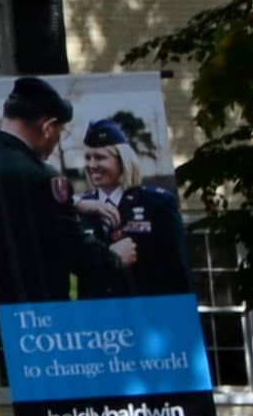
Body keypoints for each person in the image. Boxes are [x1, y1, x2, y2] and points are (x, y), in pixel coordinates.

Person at [0, 76, 132, 304]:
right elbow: (71, 248)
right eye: (61, 131)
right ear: (48, 128)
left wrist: (74, 203)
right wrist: (115, 258)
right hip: (36, 308)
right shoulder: (41, 177)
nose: (59, 139)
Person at [80, 120, 191, 298]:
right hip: (97, 317)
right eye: (88, 157)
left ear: (123, 161)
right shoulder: (80, 207)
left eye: (100, 157)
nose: (92, 165)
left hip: (146, 314)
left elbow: (177, 270)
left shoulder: (157, 203)